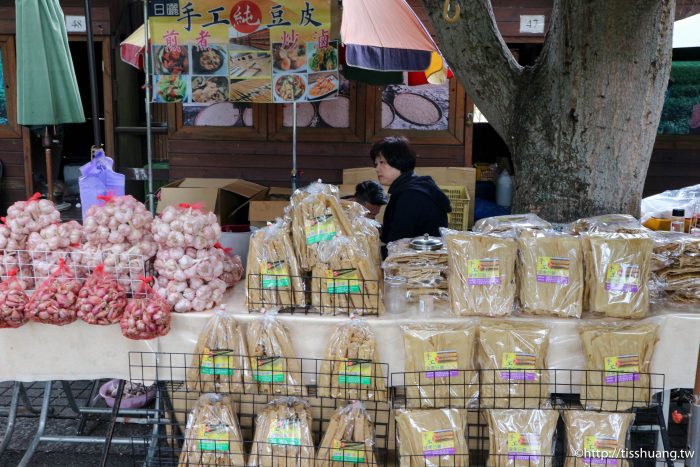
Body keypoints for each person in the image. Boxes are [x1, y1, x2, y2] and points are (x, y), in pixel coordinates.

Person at [370, 136, 451, 251]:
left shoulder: (411, 195)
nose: (377, 169)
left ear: (399, 161)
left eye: (382, 162)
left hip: (421, 263)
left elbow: (396, 246)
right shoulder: (409, 188)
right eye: (376, 164)